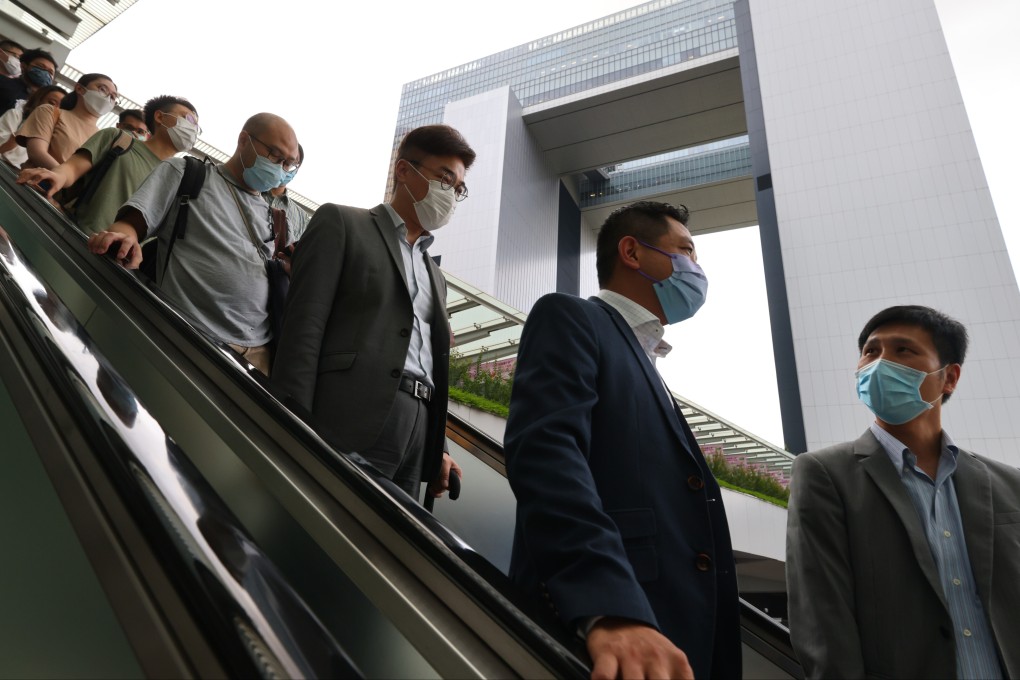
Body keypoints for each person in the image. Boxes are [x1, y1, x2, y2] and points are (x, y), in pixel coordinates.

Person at [505, 201, 741, 680]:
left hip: (666, 633)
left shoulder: (644, 356)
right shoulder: (571, 317)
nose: (696, 269)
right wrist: (607, 604)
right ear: (632, 252)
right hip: (611, 634)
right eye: (685, 251)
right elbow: (547, 456)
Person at [786, 305, 1020, 679]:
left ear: (949, 377)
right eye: (871, 351)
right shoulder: (825, 474)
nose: (880, 363)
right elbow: (822, 620)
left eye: (903, 351)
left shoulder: (1010, 484)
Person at [272, 125, 469, 502]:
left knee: (391, 547)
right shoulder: (343, 224)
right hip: (349, 413)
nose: (451, 194)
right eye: (445, 178)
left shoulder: (436, 276)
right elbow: (304, 328)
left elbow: (428, 360)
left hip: (419, 428)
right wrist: (291, 423)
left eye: (458, 188)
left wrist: (439, 448)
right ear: (404, 171)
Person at [85, 112, 300, 376]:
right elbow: (133, 222)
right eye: (275, 156)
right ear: (244, 140)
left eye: (289, 164)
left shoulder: (277, 217)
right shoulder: (188, 174)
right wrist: (123, 236)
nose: (280, 169)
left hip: (257, 356)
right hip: (188, 337)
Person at [18, 95, 199, 234]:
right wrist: (58, 175)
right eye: (189, 119)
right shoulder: (118, 139)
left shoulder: (181, 178)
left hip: (121, 265)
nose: (192, 129)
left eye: (197, 127)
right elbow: (72, 168)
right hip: (77, 236)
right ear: (160, 117)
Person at [16, 72, 117, 169]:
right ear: (79, 89)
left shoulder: (102, 137)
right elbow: (37, 152)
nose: (108, 98)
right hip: (36, 184)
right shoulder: (50, 112)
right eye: (103, 89)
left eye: (113, 97)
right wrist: (65, 179)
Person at [0, 84, 63, 168]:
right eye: (52, 103)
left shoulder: (54, 135)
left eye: (61, 107)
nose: (55, 109)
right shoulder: (15, 115)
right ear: (38, 100)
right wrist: (23, 131)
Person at [264, 143, 308, 246]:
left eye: (291, 163)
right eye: (279, 158)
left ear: (296, 170)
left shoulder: (302, 217)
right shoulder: (249, 191)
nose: (283, 167)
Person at [0, 47, 58, 115]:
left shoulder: (45, 104)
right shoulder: (3, 83)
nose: (45, 73)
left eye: (50, 72)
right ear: (23, 66)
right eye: (41, 67)